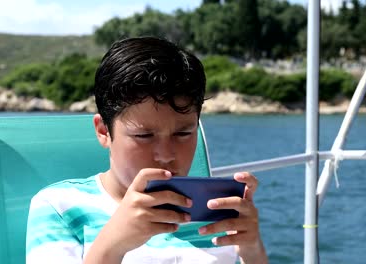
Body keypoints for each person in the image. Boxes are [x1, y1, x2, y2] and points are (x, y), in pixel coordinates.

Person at [26, 37, 268, 263]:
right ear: (103, 132)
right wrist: (112, 246)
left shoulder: (217, 209)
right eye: (144, 136)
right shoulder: (60, 206)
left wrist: (252, 250)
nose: (166, 154)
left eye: (183, 134)